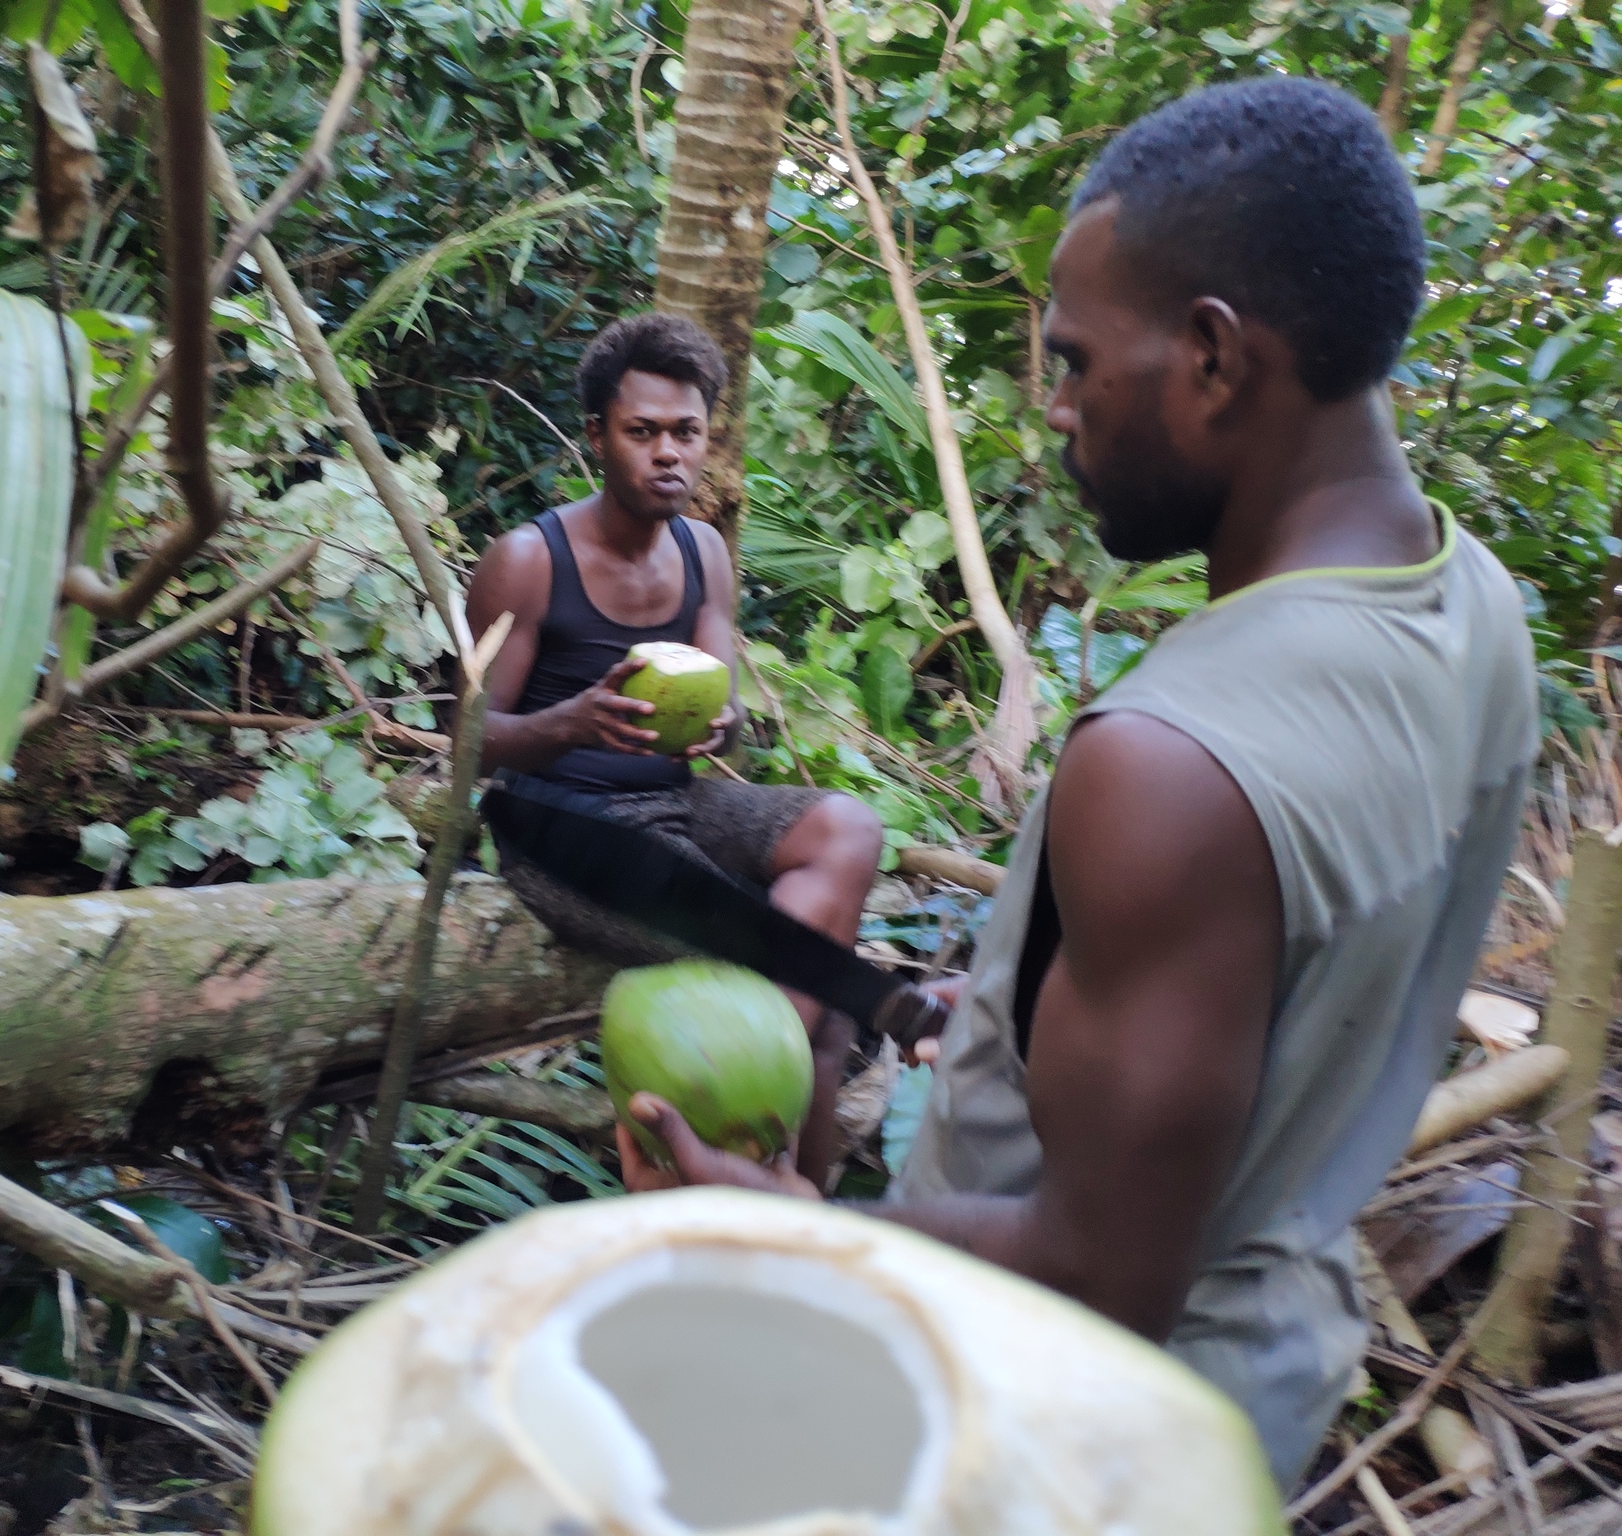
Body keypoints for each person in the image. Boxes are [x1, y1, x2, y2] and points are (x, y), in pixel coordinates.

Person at [615, 76, 1538, 1491]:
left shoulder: (1169, 766)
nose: (1053, 408)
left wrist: (788, 1227)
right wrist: (993, 1010)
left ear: (1215, 358)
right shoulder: (1475, 608)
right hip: (1266, 1387)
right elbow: (1280, 1002)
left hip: (1060, 1440)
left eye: (1075, 361)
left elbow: (1104, 1280)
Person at [465, 311, 886, 1188]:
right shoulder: (527, 561)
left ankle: (785, 1188)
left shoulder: (704, 552)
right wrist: (572, 722)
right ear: (597, 437)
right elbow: (467, 742)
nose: (668, 454)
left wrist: (724, 723)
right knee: (826, 1002)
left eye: (686, 433)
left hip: (671, 806)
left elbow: (719, 705)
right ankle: (767, 1170)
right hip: (554, 821)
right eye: (642, 432)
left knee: (846, 828)